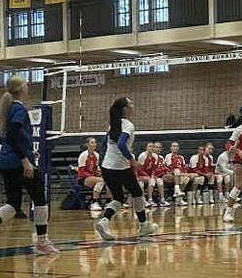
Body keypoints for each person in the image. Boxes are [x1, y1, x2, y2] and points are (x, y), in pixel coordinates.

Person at [0, 76, 60, 259]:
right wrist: (25, 160)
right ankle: (42, 243)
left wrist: (28, 152)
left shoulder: (8, 109)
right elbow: (11, 135)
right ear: (22, 89)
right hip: (18, 163)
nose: (28, 88)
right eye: (26, 85)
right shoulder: (18, 108)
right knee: (40, 200)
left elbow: (9, 137)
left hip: (7, 161)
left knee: (13, 203)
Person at [93, 97, 157, 244]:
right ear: (125, 109)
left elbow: (104, 142)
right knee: (137, 193)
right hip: (120, 168)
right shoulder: (128, 125)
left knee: (118, 198)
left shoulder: (113, 124)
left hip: (107, 167)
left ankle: (104, 221)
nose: (133, 106)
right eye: (131, 104)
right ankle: (143, 226)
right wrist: (132, 160)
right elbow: (121, 144)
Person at [77, 136, 106, 212]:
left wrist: (99, 172)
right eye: (92, 142)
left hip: (93, 177)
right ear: (87, 144)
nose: (94, 144)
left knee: (108, 180)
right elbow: (81, 172)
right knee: (100, 181)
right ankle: (94, 202)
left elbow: (96, 169)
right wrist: (93, 176)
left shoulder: (96, 155)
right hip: (83, 179)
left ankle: (108, 201)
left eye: (95, 142)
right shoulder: (83, 155)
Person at [165, 142, 191, 206]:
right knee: (177, 171)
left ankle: (179, 199)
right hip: (171, 173)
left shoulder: (181, 157)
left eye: (177, 146)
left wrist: (184, 173)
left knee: (186, 178)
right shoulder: (168, 156)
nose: (175, 148)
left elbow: (184, 167)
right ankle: (176, 190)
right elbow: (170, 167)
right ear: (171, 148)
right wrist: (181, 173)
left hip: (180, 173)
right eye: (174, 146)